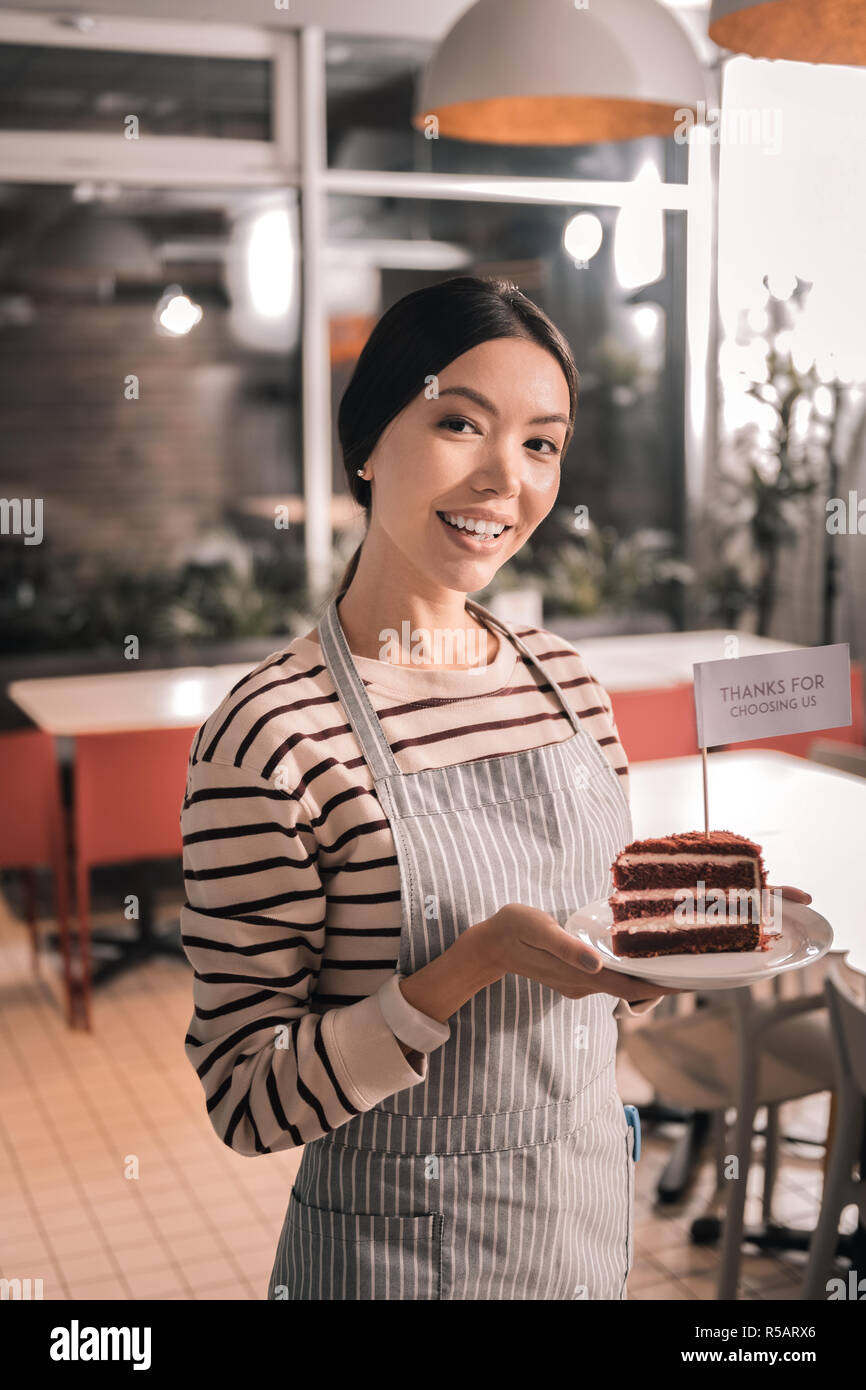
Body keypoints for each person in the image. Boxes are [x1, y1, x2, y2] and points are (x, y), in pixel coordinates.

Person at [180, 276, 805, 1300]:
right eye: (458, 422)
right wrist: (462, 970)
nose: (501, 479)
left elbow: (599, 972)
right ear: (368, 442)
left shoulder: (567, 682)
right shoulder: (270, 734)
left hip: (581, 1229)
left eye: (539, 443)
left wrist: (662, 963)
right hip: (395, 1261)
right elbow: (246, 1099)